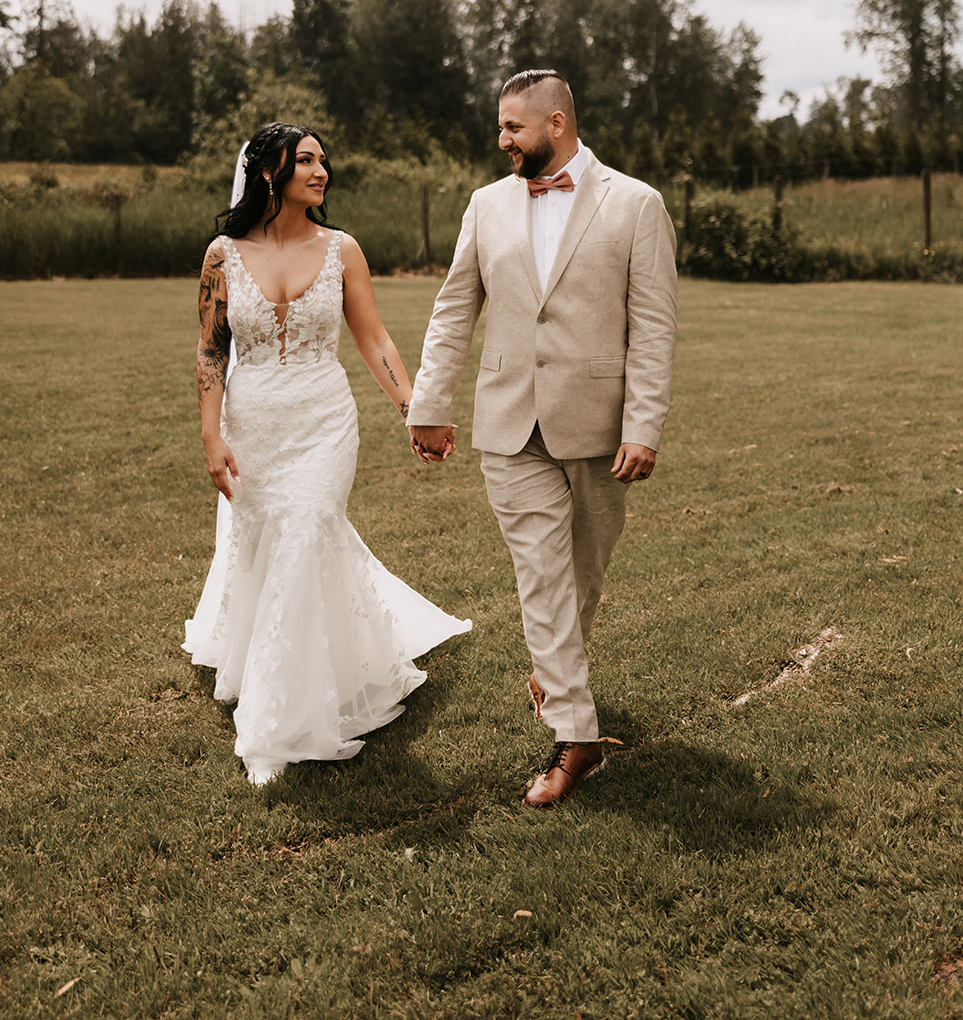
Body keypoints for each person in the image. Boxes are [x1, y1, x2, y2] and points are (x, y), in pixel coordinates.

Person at [407, 70, 677, 809]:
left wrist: (642, 424)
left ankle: (556, 672)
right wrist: (428, 404)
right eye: (500, 127)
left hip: (599, 423)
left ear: (555, 124)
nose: (501, 140)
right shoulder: (484, 205)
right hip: (507, 420)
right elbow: (453, 308)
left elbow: (652, 328)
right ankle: (575, 735)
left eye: (512, 128)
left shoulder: (636, 204)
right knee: (541, 574)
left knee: (582, 573)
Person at [185, 121, 470, 786]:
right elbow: (210, 348)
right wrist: (210, 433)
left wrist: (414, 410)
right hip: (251, 423)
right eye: (304, 161)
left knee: (309, 528)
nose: (320, 172)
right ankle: (307, 658)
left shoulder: (343, 249)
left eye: (322, 161)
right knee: (269, 544)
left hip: (323, 421)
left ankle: (277, 723)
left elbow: (373, 341)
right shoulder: (221, 255)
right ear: (267, 173)